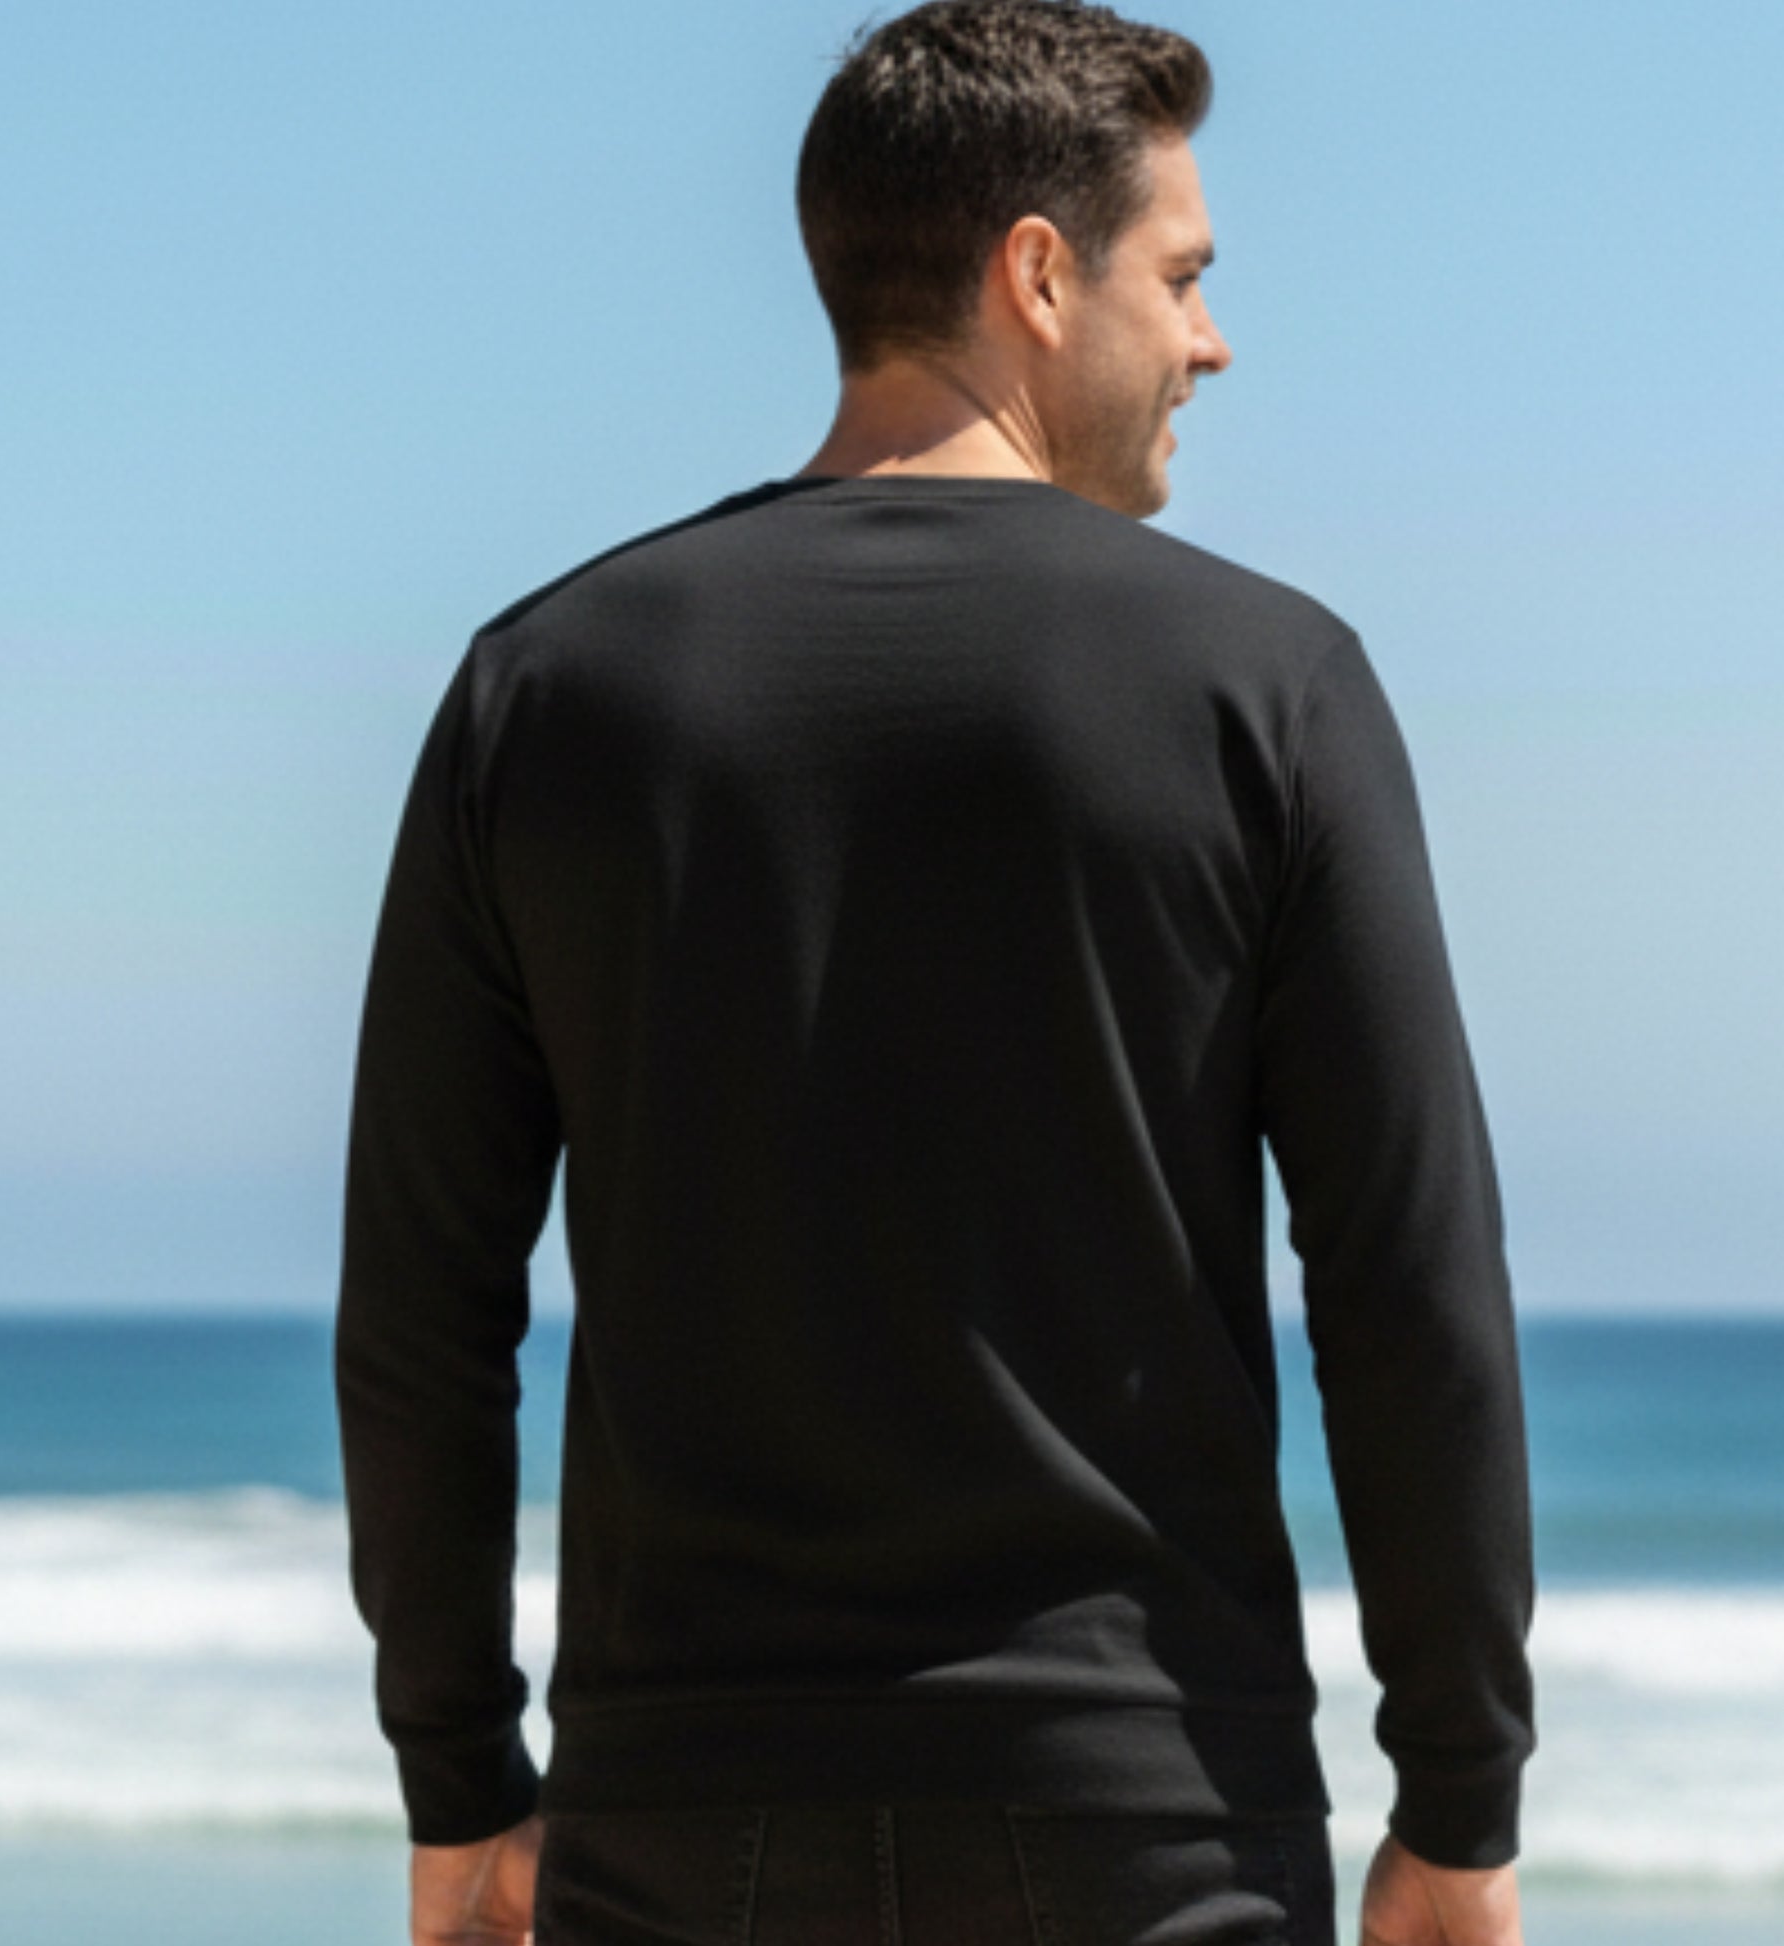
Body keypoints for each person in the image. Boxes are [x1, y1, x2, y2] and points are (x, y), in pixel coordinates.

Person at [333, 3, 1538, 1942]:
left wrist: (459, 1781)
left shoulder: (540, 690)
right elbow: (1409, 1290)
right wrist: (1459, 1804)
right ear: (1037, 275)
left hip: (677, 1823)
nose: (1211, 340)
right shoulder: (1267, 688)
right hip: (1150, 1826)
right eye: (1184, 277)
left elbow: (419, 1305)